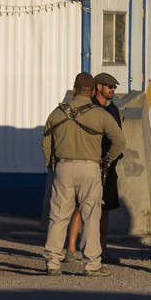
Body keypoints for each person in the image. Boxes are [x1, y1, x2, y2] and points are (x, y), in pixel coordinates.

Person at [42, 72, 125, 277]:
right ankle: (91, 264)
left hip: (63, 167)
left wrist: (52, 165)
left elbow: (45, 141)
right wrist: (107, 160)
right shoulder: (100, 114)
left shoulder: (58, 113)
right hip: (90, 168)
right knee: (91, 217)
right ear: (92, 91)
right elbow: (120, 140)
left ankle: (52, 262)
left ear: (75, 89)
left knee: (59, 217)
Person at [63, 72, 124, 264]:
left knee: (104, 210)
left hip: (108, 165)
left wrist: (111, 159)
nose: (113, 90)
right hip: (90, 163)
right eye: (109, 87)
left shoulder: (113, 110)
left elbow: (118, 137)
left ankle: (101, 251)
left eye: (114, 87)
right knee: (80, 208)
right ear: (98, 87)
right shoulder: (88, 108)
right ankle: (71, 249)